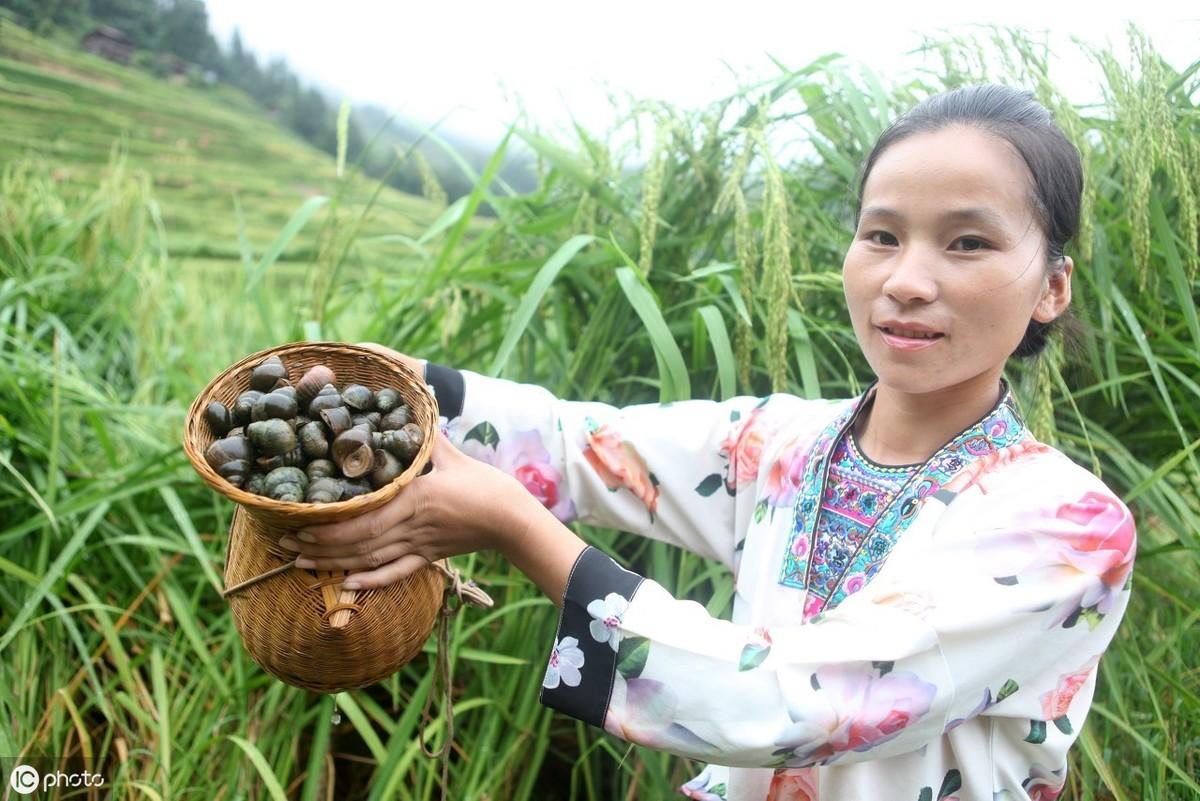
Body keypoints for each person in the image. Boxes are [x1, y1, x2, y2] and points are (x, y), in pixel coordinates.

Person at [280, 84, 1136, 801]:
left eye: (969, 241)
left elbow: (786, 705)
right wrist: (407, 385)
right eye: (881, 234)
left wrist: (515, 527)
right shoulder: (783, 442)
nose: (906, 280)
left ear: (1052, 287)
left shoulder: (1068, 529)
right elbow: (583, 443)